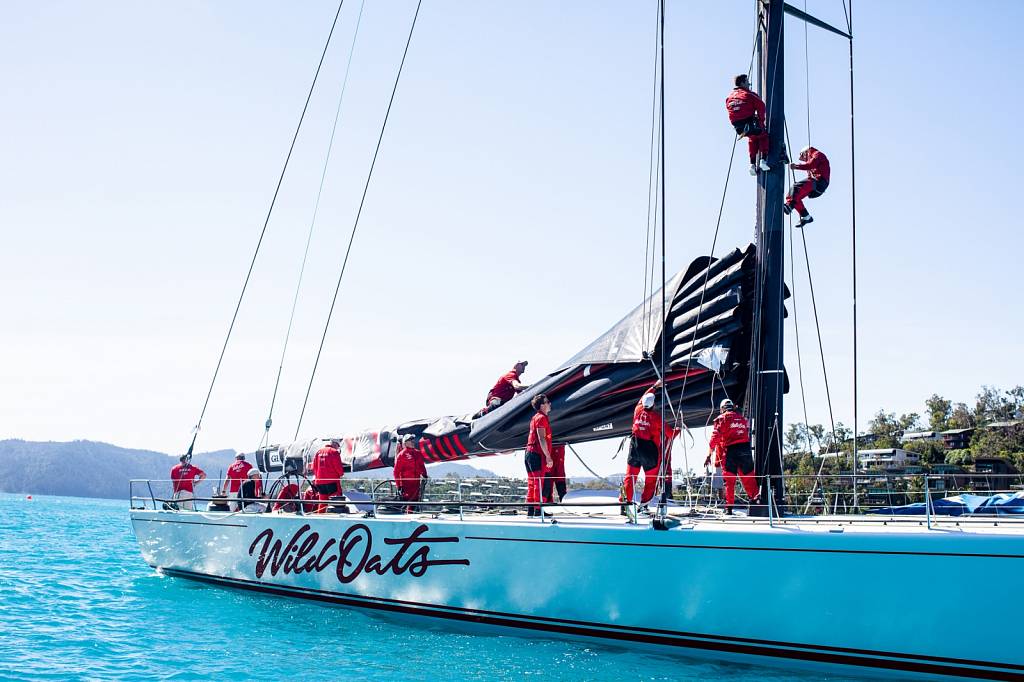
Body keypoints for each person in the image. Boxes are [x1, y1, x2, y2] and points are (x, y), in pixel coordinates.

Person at [705, 398, 760, 514]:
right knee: (749, 478)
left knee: (729, 481)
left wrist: (709, 455)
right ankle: (756, 502)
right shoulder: (743, 419)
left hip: (730, 451)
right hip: (745, 449)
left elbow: (714, 438)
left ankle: (728, 508)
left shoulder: (722, 419)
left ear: (722, 409)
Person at [623, 390, 664, 511]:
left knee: (630, 477)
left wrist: (654, 387)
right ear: (653, 405)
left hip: (635, 447)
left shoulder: (637, 409)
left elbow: (642, 398)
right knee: (651, 480)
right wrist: (677, 430)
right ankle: (644, 505)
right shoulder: (656, 417)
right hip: (649, 451)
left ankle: (624, 504)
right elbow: (669, 433)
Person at [784, 146, 830, 227]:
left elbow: (810, 165)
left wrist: (796, 166)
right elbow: (809, 173)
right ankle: (806, 217)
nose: (804, 160)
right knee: (795, 196)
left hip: (819, 182)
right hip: (816, 184)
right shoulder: (812, 160)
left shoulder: (817, 154)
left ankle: (789, 206)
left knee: (795, 188)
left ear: (806, 152)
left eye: (803, 157)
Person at [525, 393, 553, 517]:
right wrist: (548, 456)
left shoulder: (534, 417)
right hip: (536, 454)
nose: (550, 403)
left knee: (532, 482)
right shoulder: (541, 418)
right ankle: (538, 510)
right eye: (547, 402)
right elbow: (541, 438)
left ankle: (531, 509)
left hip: (529, 453)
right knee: (539, 483)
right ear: (542, 405)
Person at [393, 434, 428, 513]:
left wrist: (425, 475)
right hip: (406, 484)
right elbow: (396, 472)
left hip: (416, 483)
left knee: (414, 502)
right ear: (405, 443)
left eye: (413, 440)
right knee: (406, 503)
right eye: (410, 440)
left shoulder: (418, 453)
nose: (413, 441)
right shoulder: (401, 455)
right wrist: (399, 486)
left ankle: (412, 517)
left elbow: (422, 466)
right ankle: (405, 517)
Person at [312, 438, 345, 514]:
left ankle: (320, 518)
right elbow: (338, 467)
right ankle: (335, 519)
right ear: (334, 444)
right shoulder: (334, 452)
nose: (337, 448)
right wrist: (341, 474)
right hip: (332, 481)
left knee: (322, 502)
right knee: (336, 502)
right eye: (338, 446)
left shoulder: (318, 452)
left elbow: (314, 467)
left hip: (319, 482)